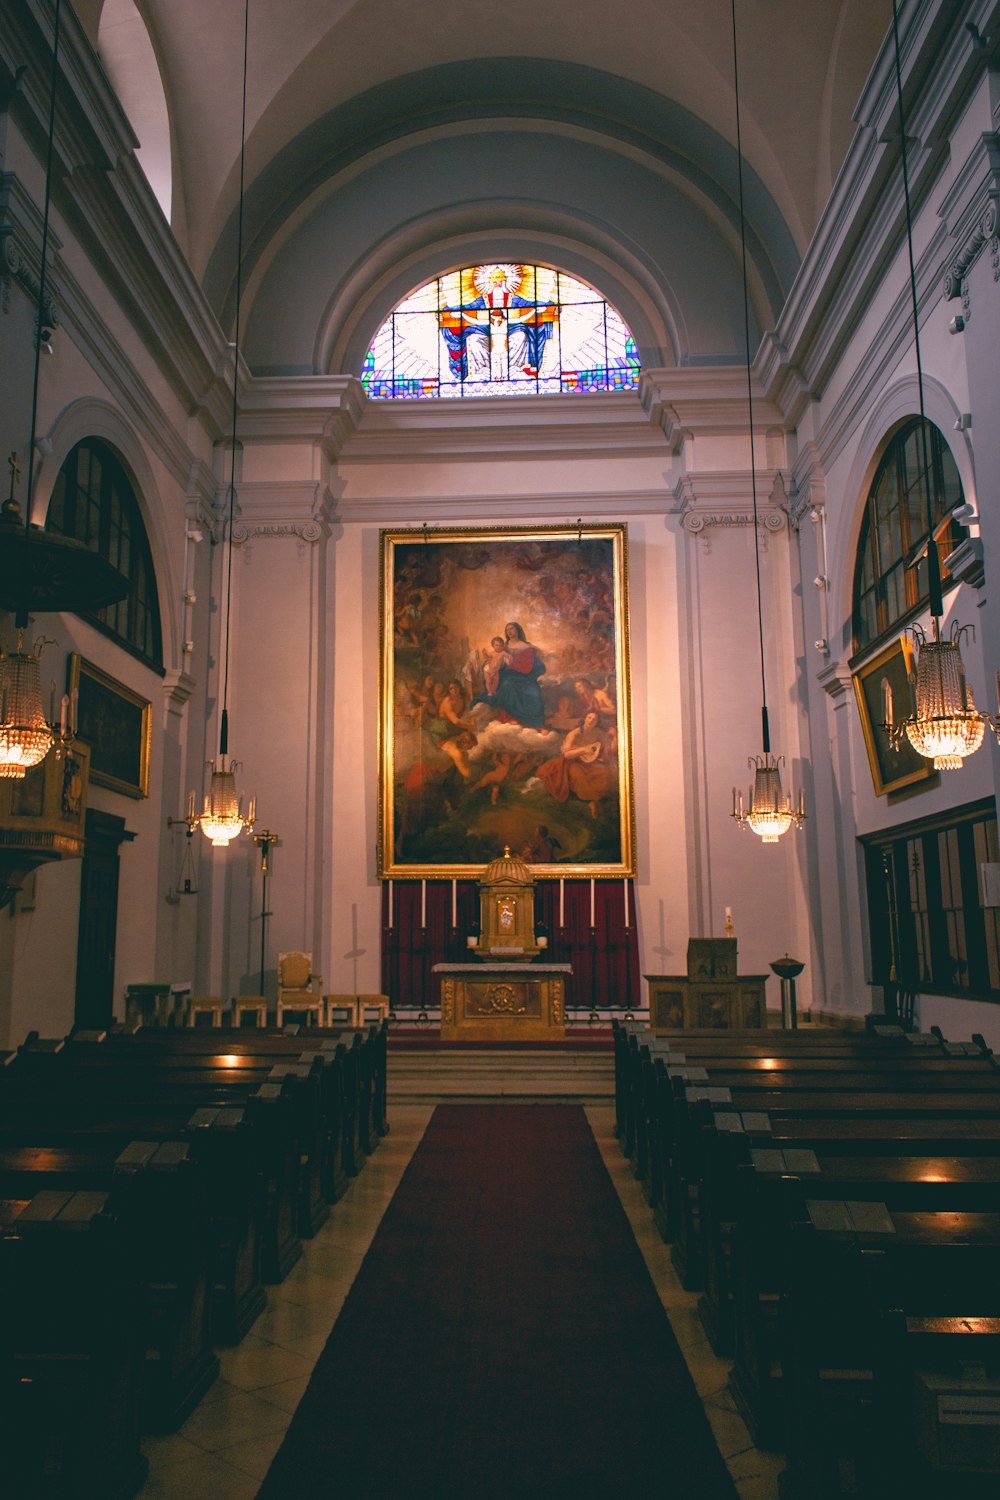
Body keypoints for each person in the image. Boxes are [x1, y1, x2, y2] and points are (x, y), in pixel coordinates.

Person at [473, 621, 549, 730]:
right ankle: (511, 716)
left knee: (534, 693)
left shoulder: (526, 647)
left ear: (518, 630)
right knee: (506, 685)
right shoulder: (503, 647)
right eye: (507, 630)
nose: (509, 631)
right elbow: (494, 660)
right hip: (507, 675)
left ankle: (535, 723)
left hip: (524, 677)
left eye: (511, 628)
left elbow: (529, 665)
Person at [537, 711, 612, 818]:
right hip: (570, 762)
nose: (591, 720)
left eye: (594, 719)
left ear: (597, 722)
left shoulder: (598, 733)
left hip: (588, 761)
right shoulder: (574, 733)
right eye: (589, 717)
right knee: (580, 777)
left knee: (605, 772)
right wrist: (583, 750)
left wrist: (611, 735)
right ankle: (590, 801)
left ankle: (596, 798)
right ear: (585, 718)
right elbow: (567, 754)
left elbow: (607, 741)